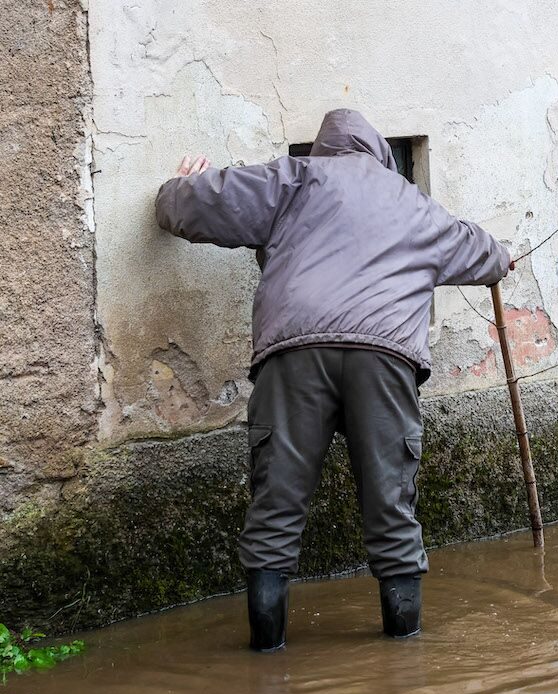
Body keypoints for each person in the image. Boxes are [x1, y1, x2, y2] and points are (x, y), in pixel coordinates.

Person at [155, 109, 513, 652]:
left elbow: (188, 207)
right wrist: (503, 257)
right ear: (379, 155)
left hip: (294, 355)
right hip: (384, 359)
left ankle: (266, 658)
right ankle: (403, 656)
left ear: (323, 150)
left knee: (275, 511)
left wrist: (179, 187)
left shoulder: (292, 178)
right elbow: (485, 253)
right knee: (392, 510)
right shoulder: (413, 204)